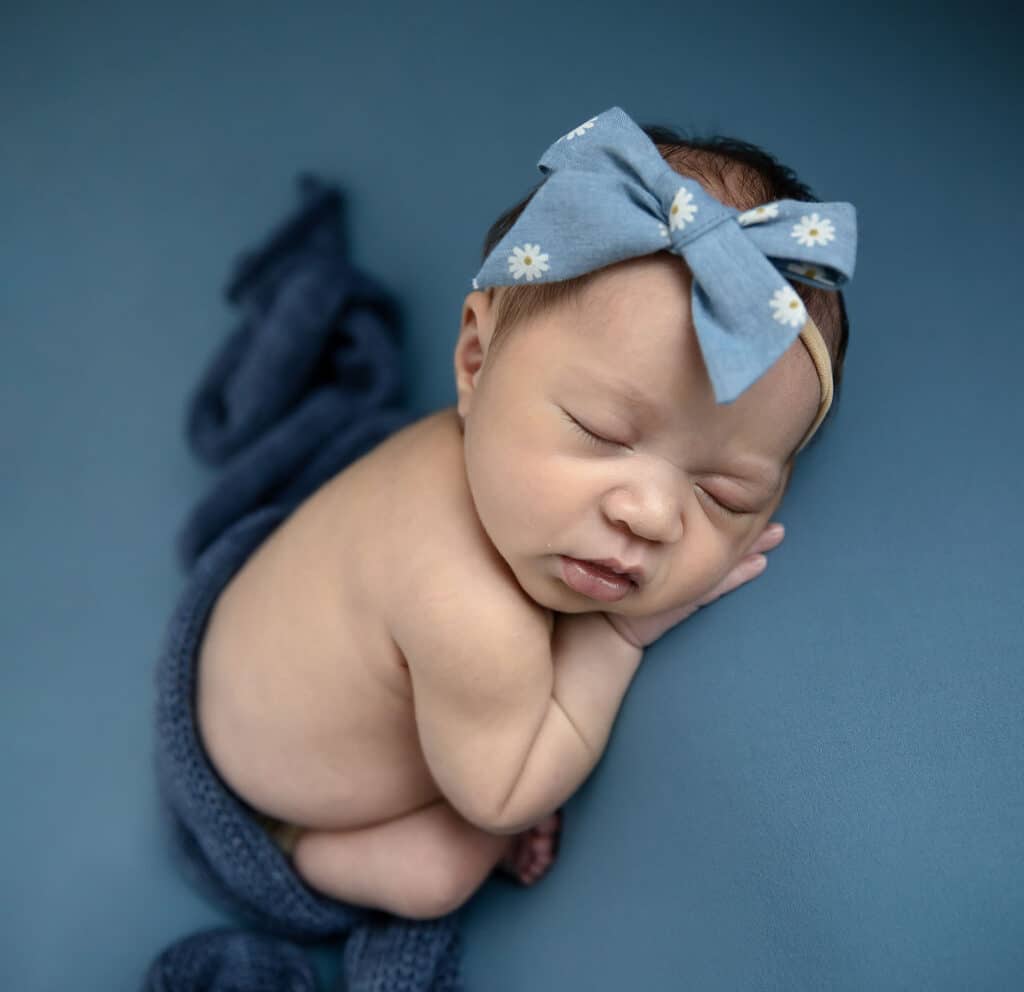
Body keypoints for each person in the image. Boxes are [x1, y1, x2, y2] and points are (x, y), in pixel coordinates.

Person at [192, 106, 856, 922]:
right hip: (275, 773)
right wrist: (612, 640)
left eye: (725, 494)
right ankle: (300, 846)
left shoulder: (483, 452)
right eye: (601, 432)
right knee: (432, 881)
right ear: (475, 360)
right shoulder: (470, 611)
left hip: (267, 642)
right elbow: (500, 798)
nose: (650, 514)